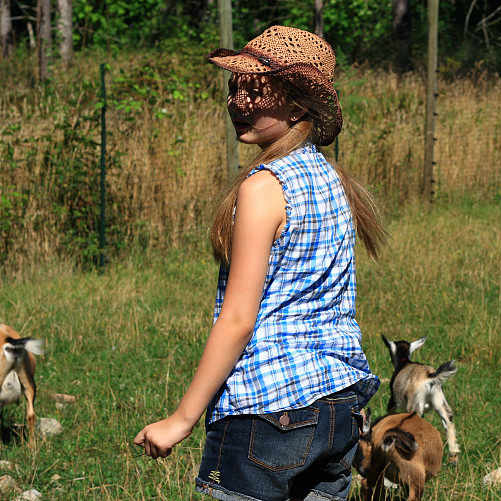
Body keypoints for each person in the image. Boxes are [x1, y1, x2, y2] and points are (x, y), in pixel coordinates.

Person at [134, 25, 387, 501]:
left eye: (255, 89)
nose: (238, 100)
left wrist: (181, 419)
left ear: (296, 107)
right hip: (339, 406)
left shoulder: (263, 188)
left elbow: (238, 319)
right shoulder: (332, 179)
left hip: (269, 413)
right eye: (235, 87)